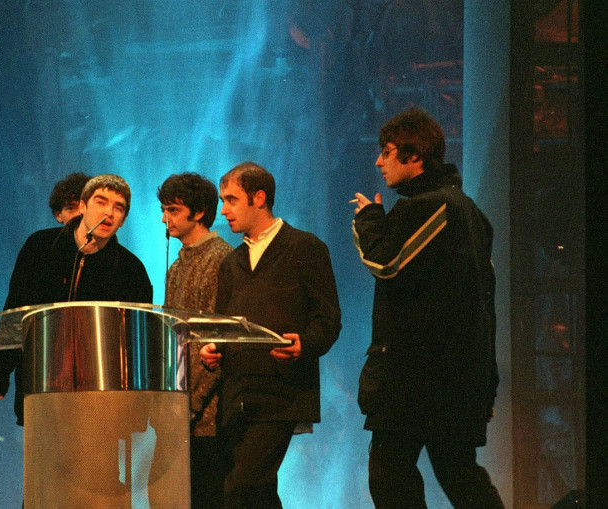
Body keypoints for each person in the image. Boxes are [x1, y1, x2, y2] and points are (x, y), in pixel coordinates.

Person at [351, 107, 504, 508]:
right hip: (457, 376)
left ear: (414, 156)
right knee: (460, 473)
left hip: (417, 378)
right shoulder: (470, 211)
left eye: (386, 152)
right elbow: (485, 304)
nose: (378, 161)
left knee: (390, 473)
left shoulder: (430, 207)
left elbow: (387, 264)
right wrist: (487, 380)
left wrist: (369, 219)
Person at [200, 162, 342, 508]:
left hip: (281, 392)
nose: (224, 210)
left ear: (259, 197)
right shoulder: (231, 262)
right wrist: (214, 348)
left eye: (231, 199)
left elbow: (328, 318)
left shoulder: (305, 248)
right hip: (238, 395)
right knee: (259, 494)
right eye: (223, 200)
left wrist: (305, 344)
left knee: (240, 489)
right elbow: (224, 325)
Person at [0, 173, 152, 424]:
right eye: (101, 202)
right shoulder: (40, 247)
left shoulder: (131, 270)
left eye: (119, 208)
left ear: (123, 220)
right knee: (44, 460)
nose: (109, 212)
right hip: (41, 385)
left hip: (99, 397)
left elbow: (138, 342)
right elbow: (16, 308)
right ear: (83, 206)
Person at [157, 172, 233, 509]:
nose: (165, 218)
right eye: (164, 209)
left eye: (172, 209)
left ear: (199, 212)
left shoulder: (221, 259)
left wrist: (190, 406)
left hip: (208, 415)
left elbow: (216, 340)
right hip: (182, 412)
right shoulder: (176, 267)